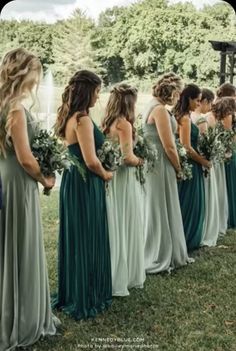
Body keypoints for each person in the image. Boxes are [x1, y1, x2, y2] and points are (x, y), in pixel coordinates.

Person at [0, 48, 59, 351]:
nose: (38, 78)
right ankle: (19, 320)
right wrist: (46, 178)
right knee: (19, 241)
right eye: (36, 70)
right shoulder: (15, 109)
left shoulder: (4, 104)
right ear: (24, 72)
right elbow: (25, 158)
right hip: (18, 182)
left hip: (4, 178)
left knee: (9, 243)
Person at [53, 70, 113, 319]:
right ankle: (86, 294)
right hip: (86, 181)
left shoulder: (70, 117)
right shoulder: (83, 119)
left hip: (71, 182)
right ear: (88, 91)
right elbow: (90, 161)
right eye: (97, 91)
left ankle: (75, 290)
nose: (99, 97)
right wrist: (107, 174)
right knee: (87, 233)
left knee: (77, 234)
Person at [142, 73, 191, 273]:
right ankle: (159, 253)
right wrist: (179, 168)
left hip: (156, 162)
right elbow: (169, 146)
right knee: (159, 206)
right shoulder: (160, 109)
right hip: (160, 163)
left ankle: (164, 249)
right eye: (179, 92)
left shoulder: (153, 104)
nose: (179, 97)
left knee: (159, 205)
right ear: (172, 91)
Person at [102, 84, 145, 296]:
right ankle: (125, 274)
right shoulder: (125, 125)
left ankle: (113, 270)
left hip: (112, 177)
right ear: (129, 102)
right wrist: (142, 161)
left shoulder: (108, 122)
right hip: (124, 179)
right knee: (126, 220)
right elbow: (128, 158)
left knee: (115, 222)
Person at [173, 83, 211, 250]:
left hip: (189, 163)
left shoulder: (180, 114)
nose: (198, 103)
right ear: (188, 98)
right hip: (190, 164)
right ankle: (188, 239)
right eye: (197, 100)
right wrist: (203, 161)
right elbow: (186, 147)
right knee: (190, 202)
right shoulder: (185, 119)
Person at [191, 88, 219, 247]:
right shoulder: (201, 120)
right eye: (209, 103)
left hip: (194, 160)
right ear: (204, 101)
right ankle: (207, 227)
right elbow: (204, 142)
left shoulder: (188, 117)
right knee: (207, 194)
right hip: (202, 160)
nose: (210, 107)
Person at [207, 96, 236, 233]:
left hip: (221, 152)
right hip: (227, 151)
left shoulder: (215, 115)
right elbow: (229, 135)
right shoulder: (228, 116)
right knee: (229, 182)